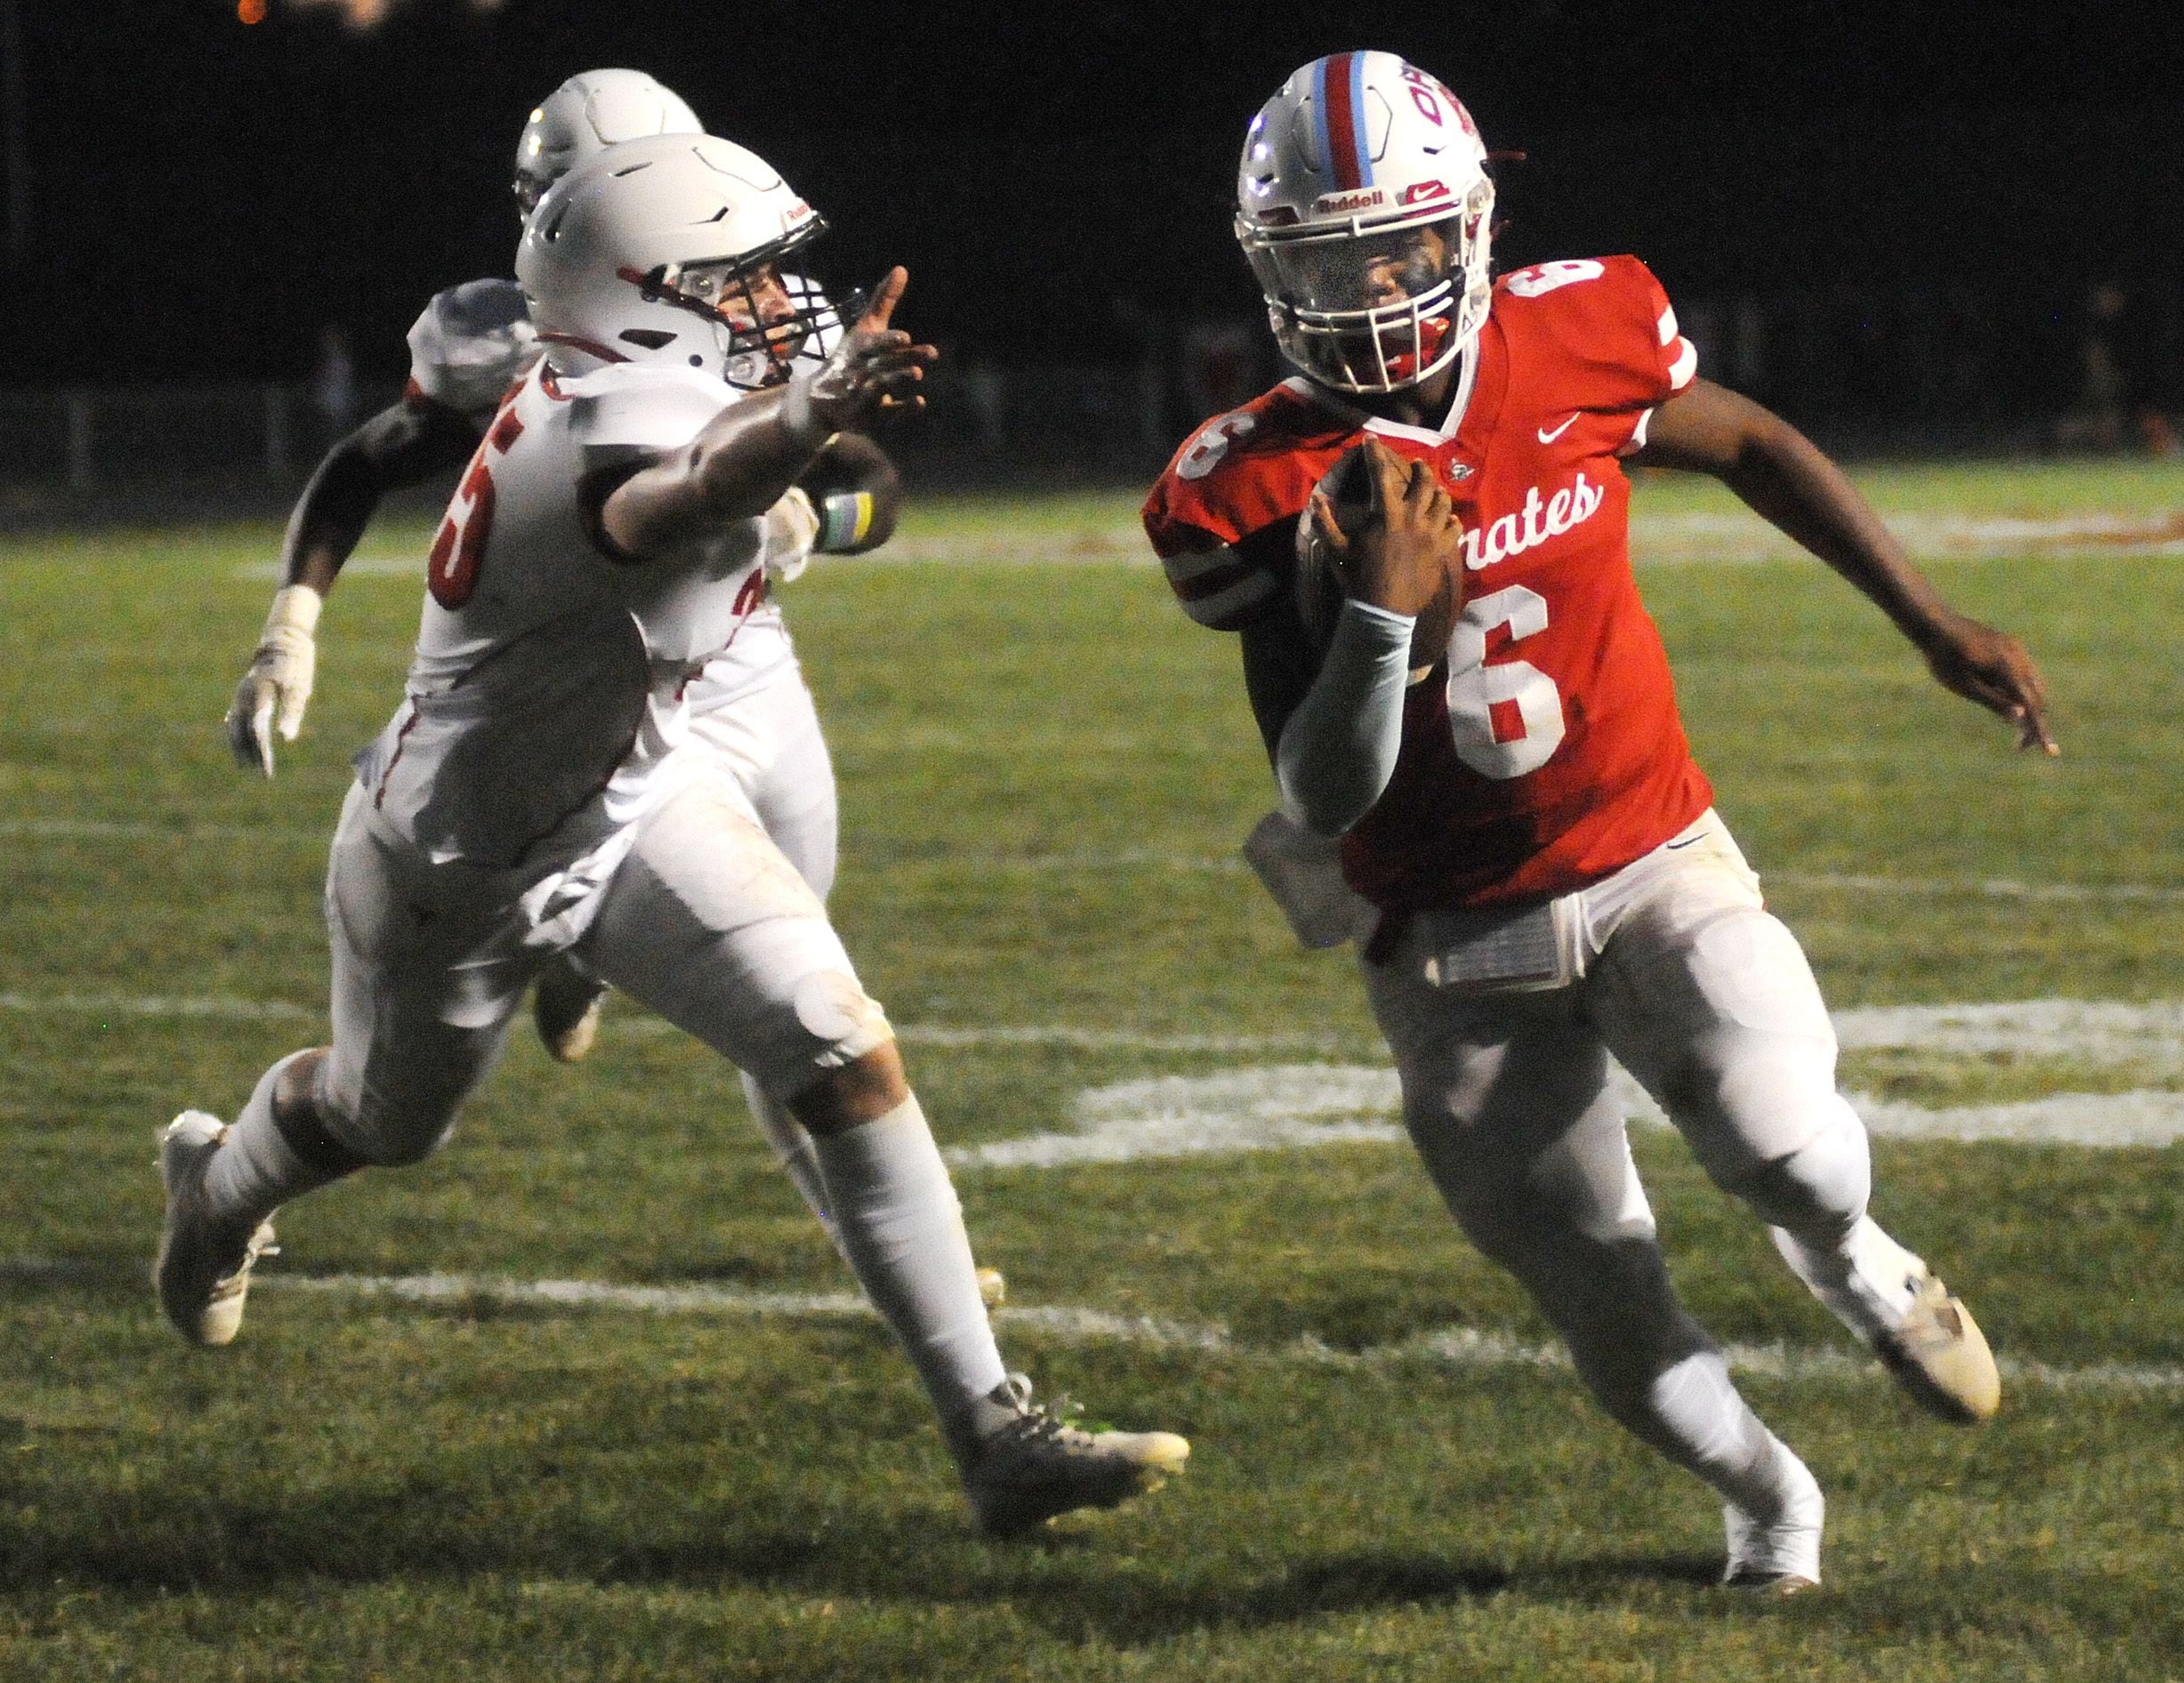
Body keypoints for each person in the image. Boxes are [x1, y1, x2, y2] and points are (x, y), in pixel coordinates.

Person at [169, 133, 1187, 1538]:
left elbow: (790, 477)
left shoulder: (635, 371)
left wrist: (803, 457)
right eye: (745, 275)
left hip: (639, 797)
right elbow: (663, 497)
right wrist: (791, 436)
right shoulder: (596, 424)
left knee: (839, 1047)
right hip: (455, 861)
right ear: (645, 290)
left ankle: (993, 1435)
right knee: (377, 1123)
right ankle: (215, 1191)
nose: (780, 298)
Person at [1144, 51, 2054, 1590]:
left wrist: (1927, 619)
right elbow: (1317, 793)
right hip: (1444, 928)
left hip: (1645, 849)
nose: (1371, 285)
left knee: (1792, 1150)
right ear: (1270, 268)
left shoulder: (1576, 327)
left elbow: (1752, 443)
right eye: (1329, 255)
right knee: (1601, 1292)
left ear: (1468, 228)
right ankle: (1772, 1501)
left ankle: (1863, 1266)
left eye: (1399, 243)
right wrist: (1378, 626)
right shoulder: (1245, 486)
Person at [222, 68, 999, 1307]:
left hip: (733, 675)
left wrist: (819, 518)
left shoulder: (733, 309)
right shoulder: (536, 349)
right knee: (427, 1092)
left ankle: (897, 1263)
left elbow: (873, 486)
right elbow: (385, 463)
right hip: (569, 685)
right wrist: (291, 622)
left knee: (812, 995)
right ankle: (574, 955)